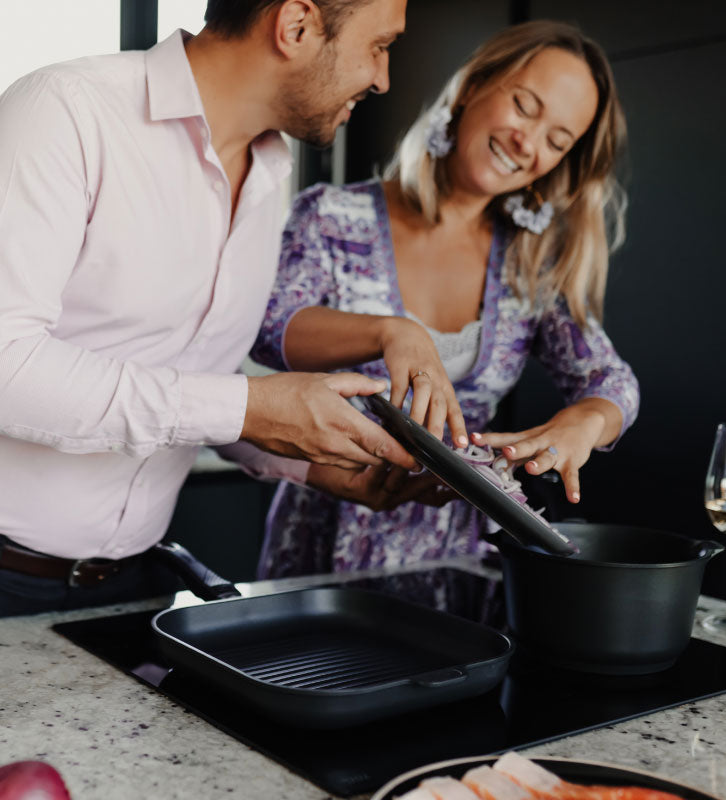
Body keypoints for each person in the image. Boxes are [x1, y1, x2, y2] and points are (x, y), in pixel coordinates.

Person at [0, 0, 428, 616]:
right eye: (379, 46)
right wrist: (252, 407)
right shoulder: (65, 111)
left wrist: (310, 464)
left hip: (133, 586)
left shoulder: (269, 175)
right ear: (297, 26)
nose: (383, 78)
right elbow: (9, 367)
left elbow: (189, 387)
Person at [250, 20, 640, 577]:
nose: (527, 144)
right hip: (325, 539)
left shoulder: (531, 265)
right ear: (473, 86)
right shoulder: (331, 216)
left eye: (558, 141)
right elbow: (270, 332)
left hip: (462, 562)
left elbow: (613, 383)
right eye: (526, 106)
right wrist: (392, 332)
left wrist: (580, 427)